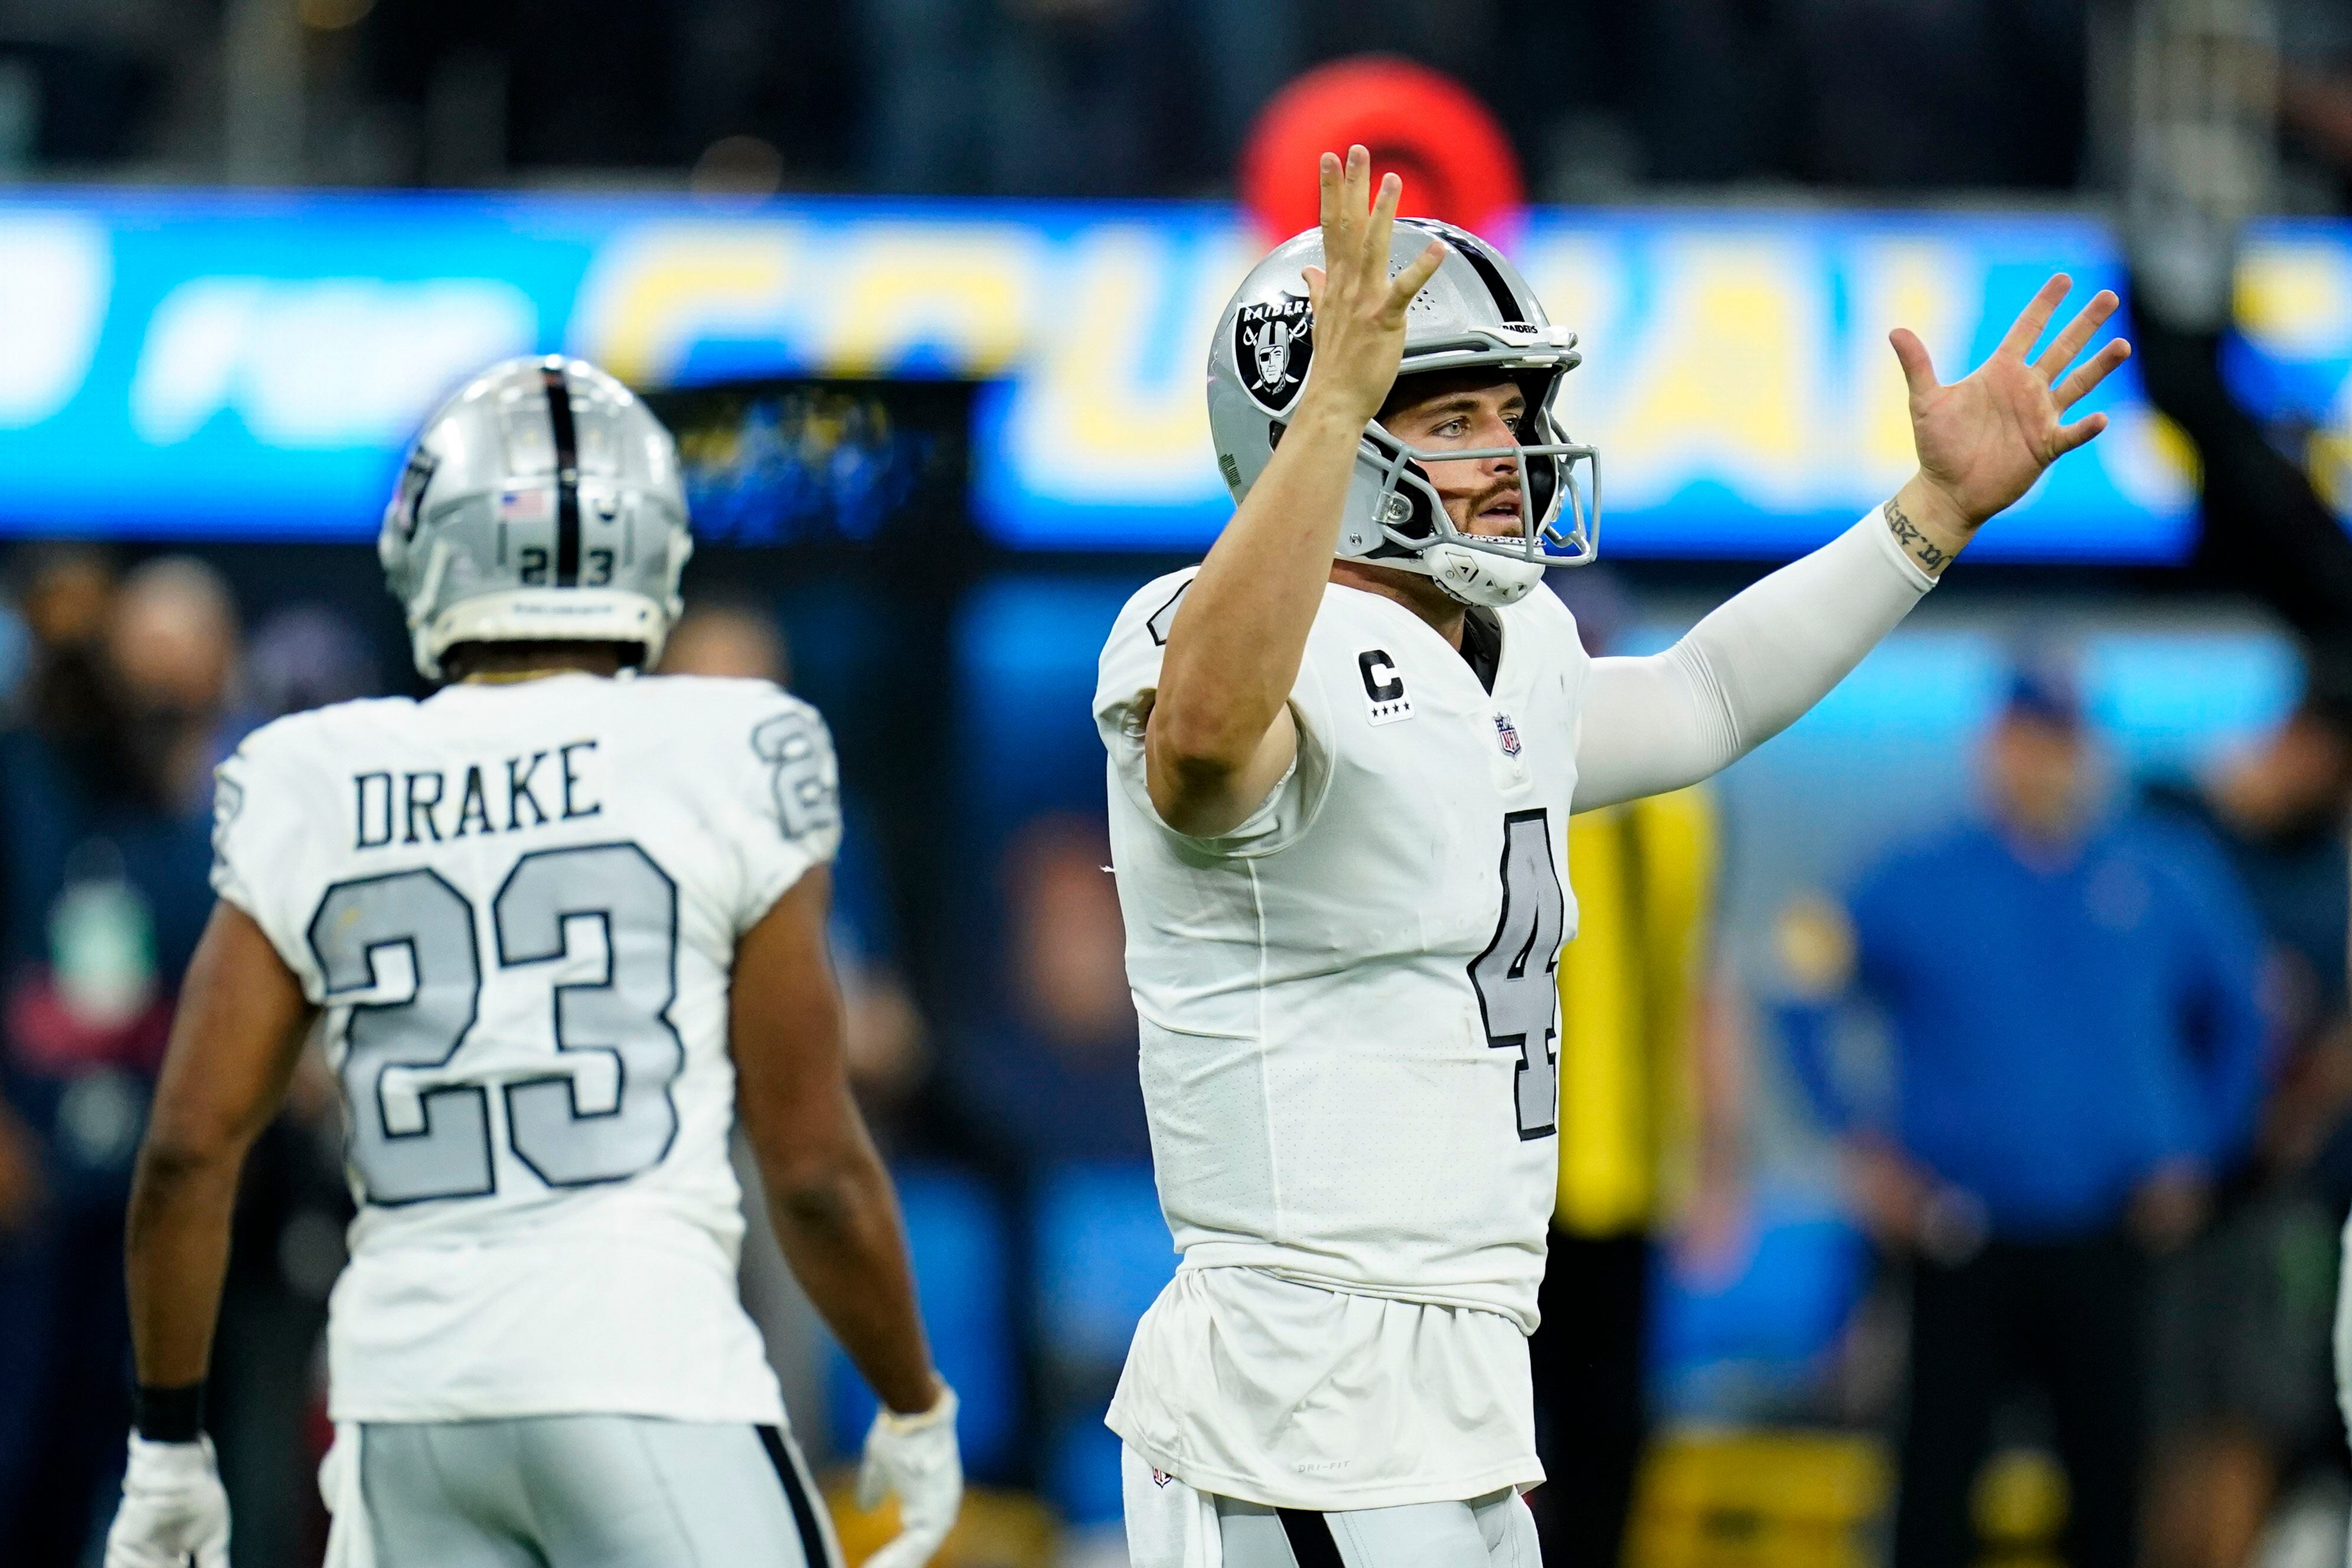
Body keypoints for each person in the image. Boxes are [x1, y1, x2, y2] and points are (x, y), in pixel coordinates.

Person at [1095, 145, 2131, 1566]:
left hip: (1452, 1387)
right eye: (1454, 413)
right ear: (1317, 431)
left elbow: (1706, 695)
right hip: (1301, 1390)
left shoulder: (1507, 652)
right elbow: (1210, 749)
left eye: (1512, 411)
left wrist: (1928, 519)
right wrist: (1340, 396)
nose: (1509, 453)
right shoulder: (1194, 636)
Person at [98, 357, 962, 1568]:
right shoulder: (724, 747)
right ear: (650, 543)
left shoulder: (318, 773)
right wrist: (913, 1398)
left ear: (427, 547)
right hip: (646, 1372)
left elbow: (189, 1149)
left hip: (405, 1411)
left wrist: (169, 1443)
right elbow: (812, 1159)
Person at [1777, 666, 2273, 1568]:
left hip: (2109, 1230)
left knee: (2108, 1478)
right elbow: (1800, 986)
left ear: (2088, 754)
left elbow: (2243, 1016)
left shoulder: (2158, 874)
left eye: (2060, 743)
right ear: (1990, 748)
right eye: (2023, 741)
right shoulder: (1919, 875)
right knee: (1936, 1479)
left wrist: (2201, 1150)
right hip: (1957, 1232)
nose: (2040, 764)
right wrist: (1857, 1141)